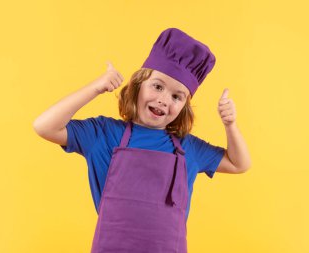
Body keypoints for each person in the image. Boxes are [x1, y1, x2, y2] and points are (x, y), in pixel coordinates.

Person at [33, 27, 251, 253]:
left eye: (177, 96)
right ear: (138, 85)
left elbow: (239, 163)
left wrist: (230, 125)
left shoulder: (188, 147)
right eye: (157, 86)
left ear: (184, 107)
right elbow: (44, 126)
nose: (163, 100)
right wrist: (95, 88)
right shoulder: (104, 134)